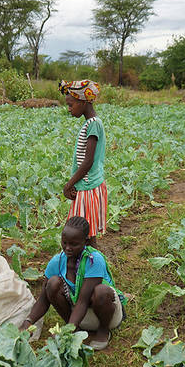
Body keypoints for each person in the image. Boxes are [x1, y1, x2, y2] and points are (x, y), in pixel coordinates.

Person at [20, 216, 125, 350]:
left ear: (85, 241)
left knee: (101, 291)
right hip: (78, 317)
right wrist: (27, 323)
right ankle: (75, 329)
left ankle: (103, 331)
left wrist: (67, 331)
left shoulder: (94, 260)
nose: (68, 248)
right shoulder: (57, 262)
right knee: (52, 284)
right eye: (64, 242)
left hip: (106, 315)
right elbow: (43, 299)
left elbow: (83, 301)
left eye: (74, 244)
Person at [59, 80, 106, 249]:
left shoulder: (93, 124)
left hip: (88, 187)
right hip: (88, 185)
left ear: (83, 102)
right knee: (86, 232)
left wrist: (68, 185)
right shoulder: (91, 123)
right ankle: (89, 266)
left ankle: (92, 267)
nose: (69, 109)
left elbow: (87, 162)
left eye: (71, 105)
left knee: (83, 231)